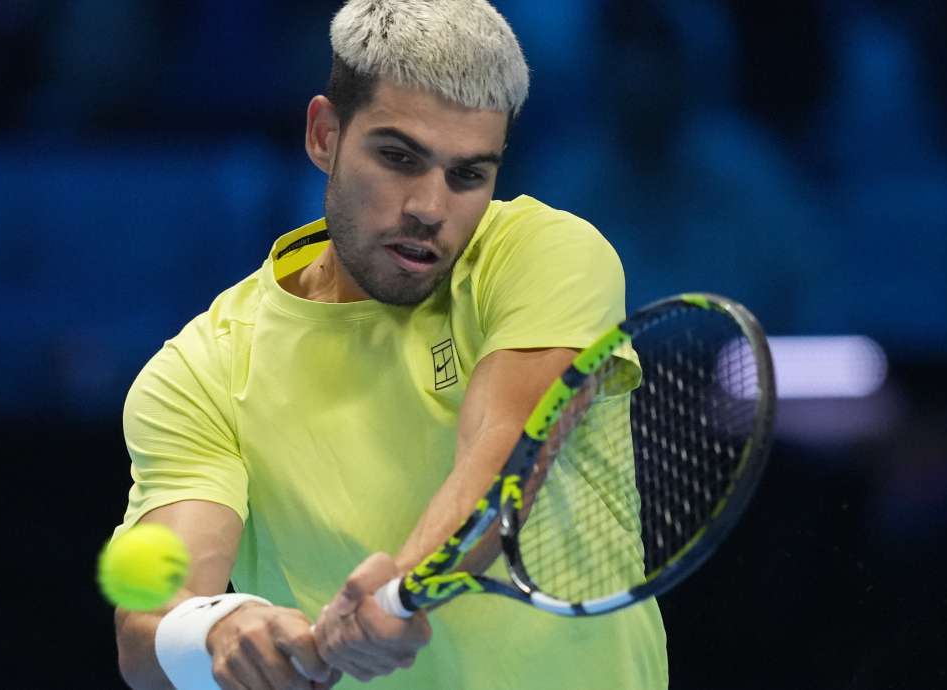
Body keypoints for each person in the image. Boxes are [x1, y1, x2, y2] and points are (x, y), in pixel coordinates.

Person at [112, 1, 668, 688]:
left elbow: (503, 459)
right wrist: (218, 629)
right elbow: (145, 638)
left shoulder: (546, 256)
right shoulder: (200, 371)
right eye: (399, 157)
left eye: (468, 174)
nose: (430, 208)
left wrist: (398, 590)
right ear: (324, 134)